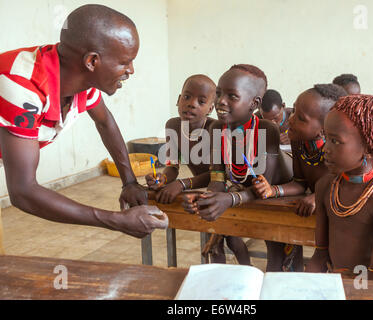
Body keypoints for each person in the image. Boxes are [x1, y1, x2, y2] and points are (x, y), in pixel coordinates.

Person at [0, 4, 168, 241]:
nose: (131, 70)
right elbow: (23, 191)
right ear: (92, 62)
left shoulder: (79, 81)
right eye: (125, 62)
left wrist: (129, 181)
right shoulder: (21, 85)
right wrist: (115, 220)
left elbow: (105, 122)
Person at [181, 64, 292, 269]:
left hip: (278, 195)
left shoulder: (267, 130)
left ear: (254, 103)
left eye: (232, 96)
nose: (220, 101)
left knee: (276, 247)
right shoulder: (216, 128)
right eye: (219, 93)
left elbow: (261, 187)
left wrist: (229, 198)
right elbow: (217, 178)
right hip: (245, 191)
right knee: (227, 231)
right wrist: (204, 199)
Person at [305, 95, 373, 282]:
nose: (325, 148)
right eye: (326, 138)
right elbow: (320, 256)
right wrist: (300, 287)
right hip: (337, 280)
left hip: (372, 286)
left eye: (335, 141)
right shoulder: (325, 186)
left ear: (370, 149)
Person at [251, 84, 347, 271]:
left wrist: (316, 197)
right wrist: (272, 190)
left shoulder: (337, 152)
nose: (291, 120)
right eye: (294, 112)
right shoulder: (298, 142)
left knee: (332, 265)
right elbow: (299, 184)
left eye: (301, 118)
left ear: (323, 130)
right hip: (312, 211)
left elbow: (343, 186)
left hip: (340, 219)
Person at [145, 74, 216, 203]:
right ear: (179, 100)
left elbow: (219, 176)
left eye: (201, 101)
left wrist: (181, 184)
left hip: (226, 187)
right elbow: (173, 166)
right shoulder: (173, 126)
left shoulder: (215, 129)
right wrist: (163, 178)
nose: (191, 104)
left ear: (210, 108)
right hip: (199, 186)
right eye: (187, 97)